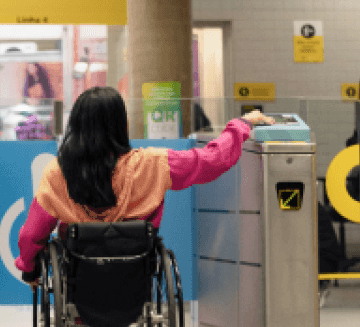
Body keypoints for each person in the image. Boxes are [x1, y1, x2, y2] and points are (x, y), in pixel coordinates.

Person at [16, 86, 275, 285]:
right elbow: (213, 159)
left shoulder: (57, 173)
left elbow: (31, 235)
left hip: (78, 274)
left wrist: (29, 269)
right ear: (121, 123)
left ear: (77, 124)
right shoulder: (152, 163)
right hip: (135, 270)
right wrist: (242, 125)